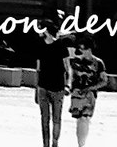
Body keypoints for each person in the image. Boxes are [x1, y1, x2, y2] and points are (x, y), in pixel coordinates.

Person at [35, 12, 69, 147]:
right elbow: (38, 68)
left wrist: (68, 85)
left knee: (55, 118)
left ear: (46, 30)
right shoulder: (41, 45)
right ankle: (46, 144)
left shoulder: (60, 45)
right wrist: (36, 89)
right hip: (44, 86)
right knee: (46, 118)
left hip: (57, 87)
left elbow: (67, 67)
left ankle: (54, 143)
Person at [67, 38, 106, 145]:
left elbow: (104, 81)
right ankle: (80, 143)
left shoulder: (98, 63)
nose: (81, 50)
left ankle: (81, 144)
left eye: (82, 48)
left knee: (85, 118)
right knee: (79, 119)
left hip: (89, 94)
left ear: (89, 48)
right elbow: (71, 76)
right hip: (77, 93)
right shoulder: (75, 61)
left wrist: (90, 88)